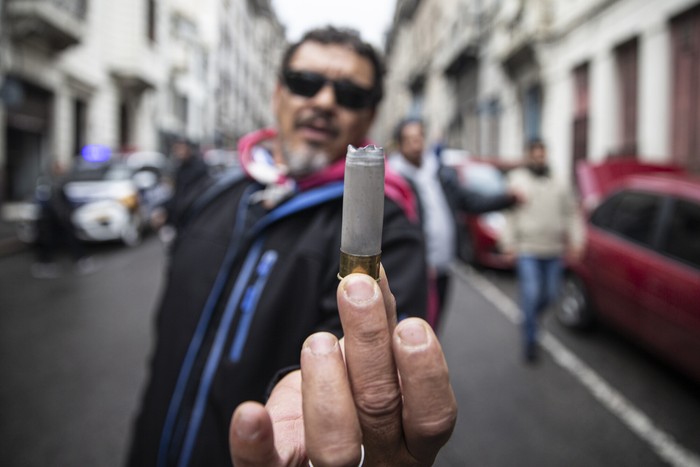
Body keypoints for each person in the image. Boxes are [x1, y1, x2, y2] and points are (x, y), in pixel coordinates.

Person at [127, 26, 456, 467]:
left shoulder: (387, 231)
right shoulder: (216, 194)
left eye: (349, 93)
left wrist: (314, 399)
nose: (323, 101)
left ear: (370, 114)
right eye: (305, 83)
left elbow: (369, 367)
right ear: (278, 92)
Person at [389, 118, 520, 327]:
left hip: (442, 267)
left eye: (419, 137)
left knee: (435, 324)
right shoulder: (393, 180)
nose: (416, 144)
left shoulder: (440, 172)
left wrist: (506, 199)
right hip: (414, 272)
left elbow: (469, 200)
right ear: (399, 144)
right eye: (409, 139)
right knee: (412, 328)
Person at [499, 139, 585, 362]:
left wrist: (576, 240)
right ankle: (530, 342)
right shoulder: (516, 180)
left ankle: (531, 319)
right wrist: (508, 244)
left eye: (542, 153)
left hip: (553, 250)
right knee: (531, 293)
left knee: (551, 294)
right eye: (534, 154)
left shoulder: (559, 181)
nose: (539, 157)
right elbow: (509, 214)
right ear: (528, 155)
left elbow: (571, 213)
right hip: (527, 248)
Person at [31, 161, 95, 277]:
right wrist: (63, 215)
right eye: (60, 168)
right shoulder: (53, 183)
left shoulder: (57, 182)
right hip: (53, 218)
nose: (62, 170)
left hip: (56, 218)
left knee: (62, 241)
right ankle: (45, 264)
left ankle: (79, 260)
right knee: (53, 241)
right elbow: (56, 202)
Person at [151, 139, 210, 241]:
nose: (178, 152)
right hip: (182, 224)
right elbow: (177, 195)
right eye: (176, 149)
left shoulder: (198, 168)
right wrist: (162, 209)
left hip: (193, 223)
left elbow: (189, 198)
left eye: (180, 149)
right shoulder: (180, 168)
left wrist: (168, 214)